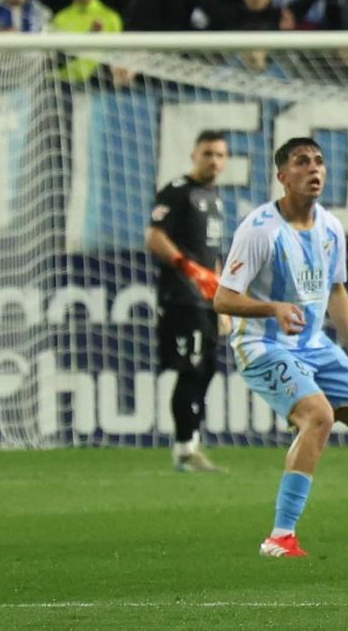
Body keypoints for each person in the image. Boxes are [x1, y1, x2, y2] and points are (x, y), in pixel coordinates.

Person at [213, 138, 348, 558]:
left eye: (319, 162)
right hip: (263, 345)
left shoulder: (331, 227)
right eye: (302, 162)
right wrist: (272, 307)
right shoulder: (260, 229)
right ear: (283, 177)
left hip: (315, 346)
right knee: (318, 415)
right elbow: (223, 299)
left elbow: (336, 291)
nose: (314, 169)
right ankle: (280, 536)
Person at [146, 131, 230, 473]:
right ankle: (184, 449)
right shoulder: (177, 190)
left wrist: (223, 299)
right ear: (194, 154)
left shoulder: (215, 197)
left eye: (220, 155)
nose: (214, 160)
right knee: (192, 369)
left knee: (205, 369)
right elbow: (154, 236)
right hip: (181, 297)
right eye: (208, 153)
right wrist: (187, 268)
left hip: (207, 300)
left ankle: (190, 445)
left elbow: (214, 258)